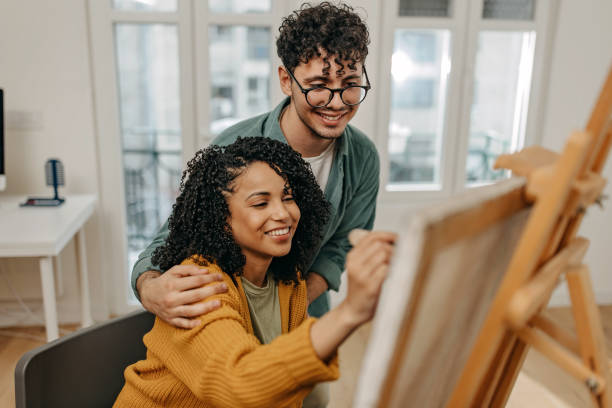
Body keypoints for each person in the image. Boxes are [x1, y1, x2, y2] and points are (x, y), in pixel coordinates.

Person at [131, 1, 379, 328]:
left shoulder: (363, 157)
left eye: (349, 84)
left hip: (304, 314)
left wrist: (293, 306)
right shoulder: (233, 146)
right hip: (228, 317)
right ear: (286, 80)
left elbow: (339, 246)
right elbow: (171, 239)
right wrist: (150, 288)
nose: (336, 102)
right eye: (319, 85)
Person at [113, 137, 395, 407]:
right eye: (261, 203)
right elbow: (242, 387)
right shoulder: (197, 285)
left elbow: (286, 390)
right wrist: (349, 312)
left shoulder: (288, 280)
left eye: (288, 197)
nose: (283, 214)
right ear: (221, 219)